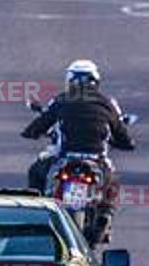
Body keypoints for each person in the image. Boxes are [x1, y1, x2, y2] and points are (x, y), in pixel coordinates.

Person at [21, 59, 135, 239]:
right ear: (95, 81)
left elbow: (40, 124)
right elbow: (123, 135)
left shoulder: (61, 99)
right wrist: (127, 143)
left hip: (66, 158)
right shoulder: (107, 103)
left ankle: (35, 215)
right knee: (112, 182)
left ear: (71, 80)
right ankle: (106, 214)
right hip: (97, 160)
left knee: (35, 172)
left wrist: (31, 132)